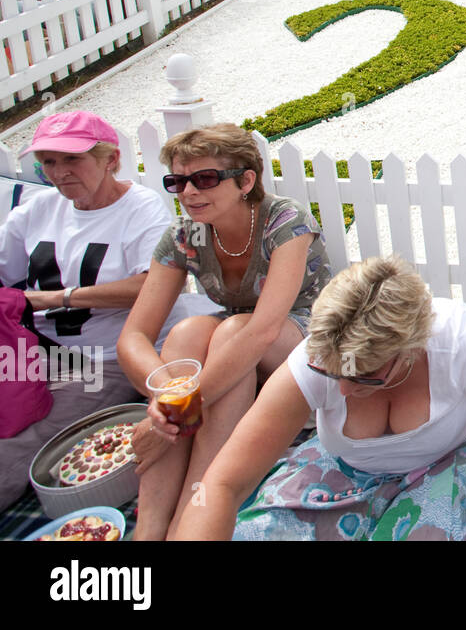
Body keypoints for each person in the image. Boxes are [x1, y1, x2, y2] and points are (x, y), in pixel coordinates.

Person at [174, 255, 466, 540]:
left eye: (365, 376)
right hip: (345, 470)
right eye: (331, 372)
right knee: (262, 529)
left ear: (411, 349)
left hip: (455, 457)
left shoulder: (456, 339)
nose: (344, 389)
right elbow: (222, 484)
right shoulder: (314, 362)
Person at [117, 123, 333, 540]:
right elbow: (133, 338)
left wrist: (178, 410)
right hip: (239, 345)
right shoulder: (186, 235)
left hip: (310, 335)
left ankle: (190, 522)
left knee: (233, 330)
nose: (189, 192)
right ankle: (150, 531)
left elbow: (264, 331)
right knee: (185, 336)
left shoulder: (284, 221)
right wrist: (168, 398)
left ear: (246, 181)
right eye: (178, 181)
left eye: (205, 179)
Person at [0, 111, 200, 510]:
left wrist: (58, 298)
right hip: (36, 348)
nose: (59, 172)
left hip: (105, 356)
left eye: (72, 159)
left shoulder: (140, 208)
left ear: (111, 159)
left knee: (25, 435)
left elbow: (152, 284)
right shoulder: (36, 211)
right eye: (49, 161)